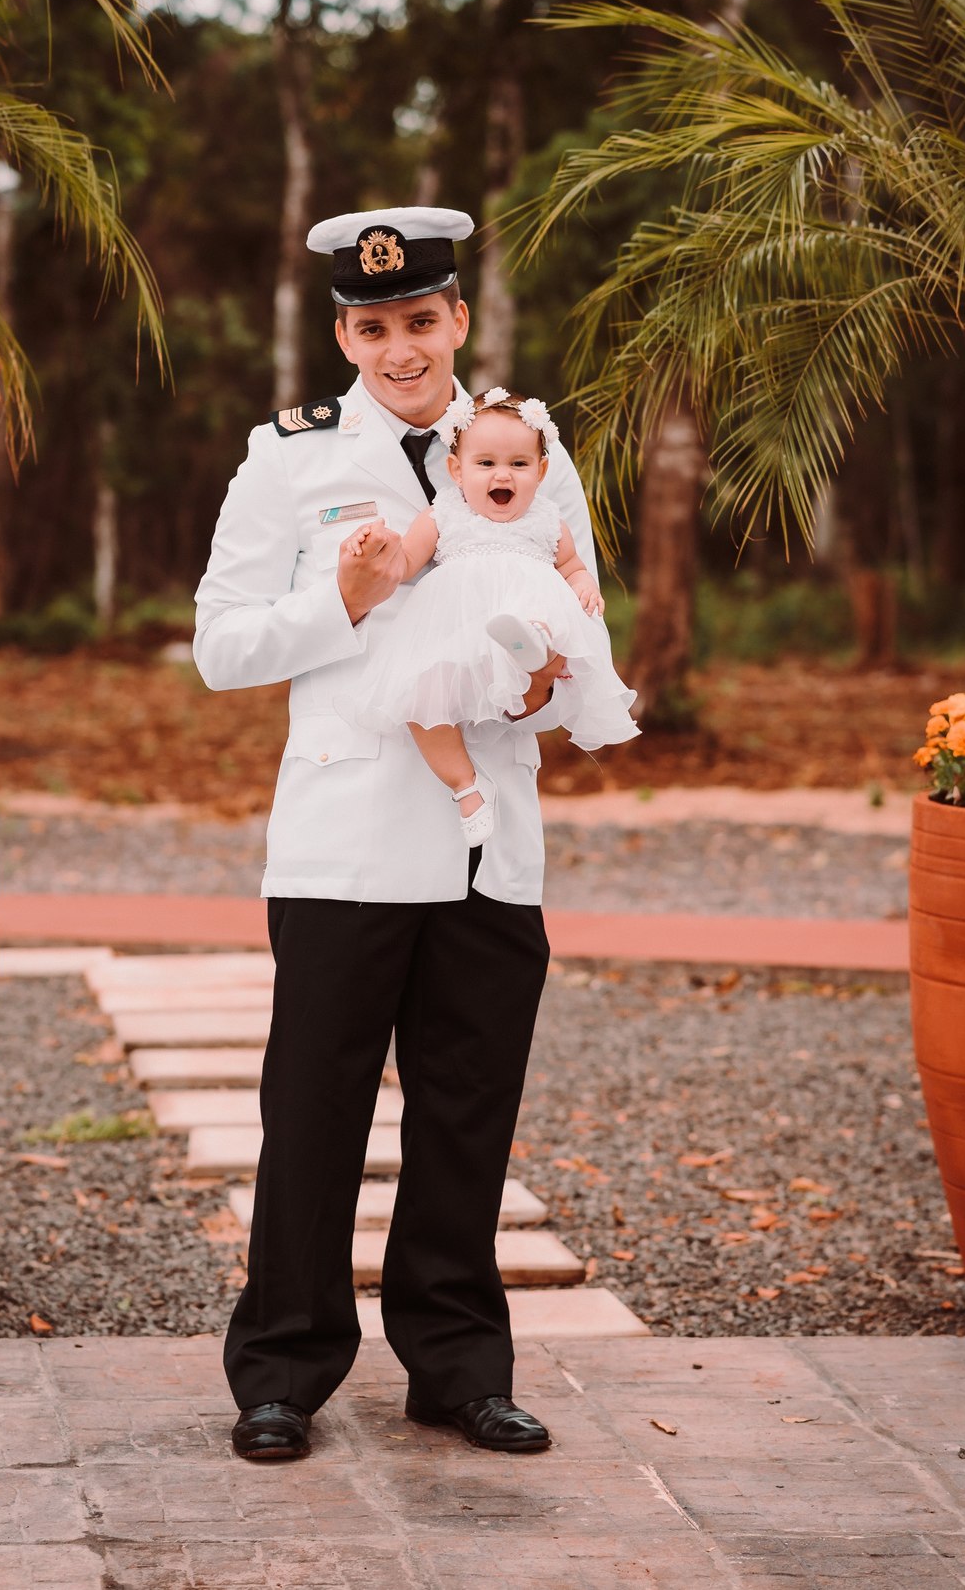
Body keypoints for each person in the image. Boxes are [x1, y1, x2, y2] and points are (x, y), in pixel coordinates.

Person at [193, 205, 629, 1463]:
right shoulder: (290, 459)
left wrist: (545, 689)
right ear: (344, 336)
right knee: (314, 1113)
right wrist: (342, 596)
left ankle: (458, 1369)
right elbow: (221, 644)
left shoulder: (527, 443)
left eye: (421, 322)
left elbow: (581, 618)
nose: (401, 348)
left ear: (459, 320)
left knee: (467, 1113)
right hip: (343, 839)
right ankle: (283, 1371)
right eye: (375, 327)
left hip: (491, 844)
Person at [343, 387, 639, 843]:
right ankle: (466, 787)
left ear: (541, 471)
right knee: (420, 698)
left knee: (539, 624)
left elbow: (573, 566)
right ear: (457, 470)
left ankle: (531, 643)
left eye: (519, 464)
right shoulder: (444, 513)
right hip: (460, 633)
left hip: (531, 619)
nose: (503, 474)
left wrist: (583, 586)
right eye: (486, 463)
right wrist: (373, 553)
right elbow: (405, 563)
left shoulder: (547, 520)